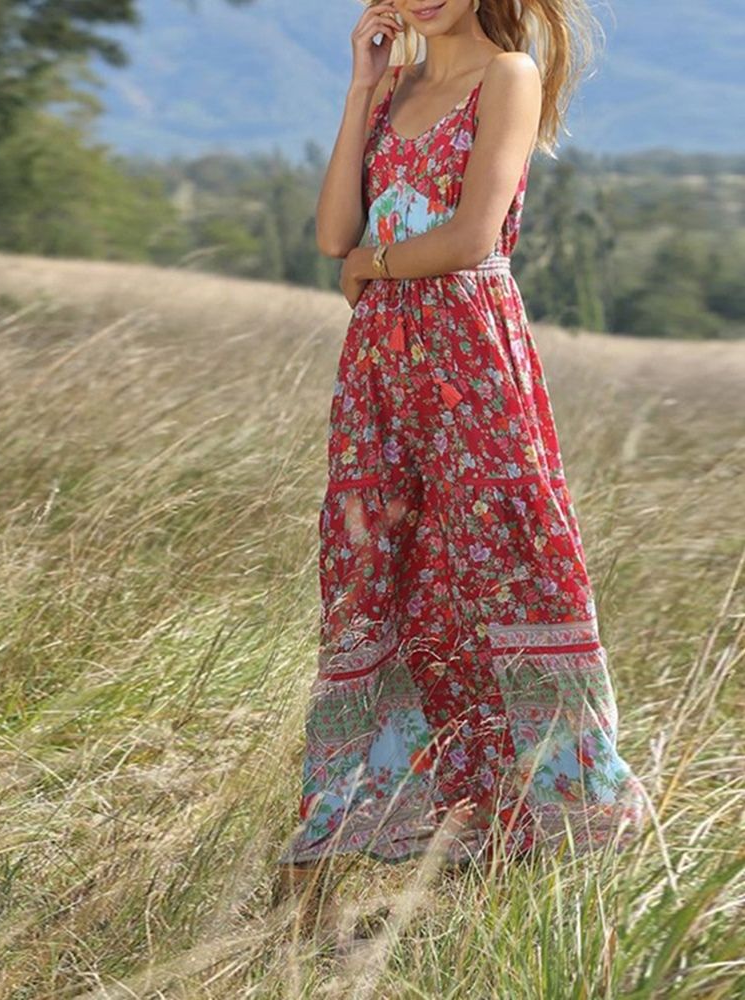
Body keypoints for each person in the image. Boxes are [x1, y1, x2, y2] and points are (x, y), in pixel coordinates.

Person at [273, 0, 648, 935]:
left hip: (468, 357)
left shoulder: (508, 76)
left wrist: (375, 264)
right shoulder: (396, 86)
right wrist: (361, 87)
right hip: (382, 369)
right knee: (384, 578)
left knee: (500, 569)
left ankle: (549, 813)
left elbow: (474, 240)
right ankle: (402, 821)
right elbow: (330, 235)